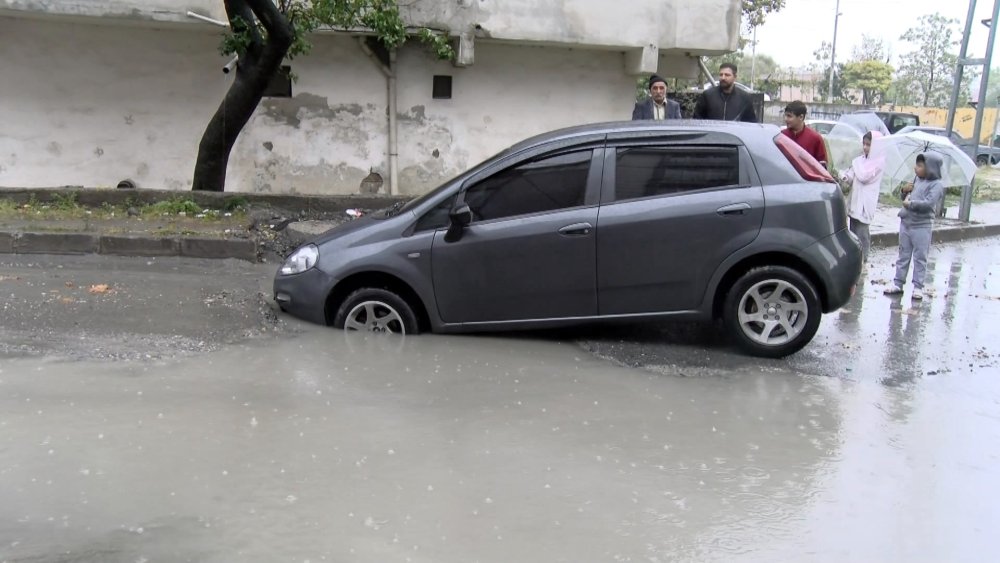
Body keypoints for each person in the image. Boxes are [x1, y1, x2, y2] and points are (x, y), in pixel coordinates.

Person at [883, 153, 945, 300]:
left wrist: (911, 204)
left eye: (920, 166)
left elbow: (929, 203)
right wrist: (904, 191)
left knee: (920, 257)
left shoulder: (936, 185)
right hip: (906, 223)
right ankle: (898, 283)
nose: (915, 168)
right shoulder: (916, 179)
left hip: (921, 226)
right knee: (903, 255)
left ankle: (918, 286)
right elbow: (906, 199)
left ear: (930, 168)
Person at [840, 131, 885, 268]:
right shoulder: (860, 160)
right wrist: (844, 176)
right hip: (855, 199)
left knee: (862, 233)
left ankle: (864, 260)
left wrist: (855, 164)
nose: (865, 147)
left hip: (866, 202)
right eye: (864, 144)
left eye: (869, 145)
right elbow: (852, 177)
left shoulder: (879, 162)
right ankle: (855, 260)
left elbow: (864, 176)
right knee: (853, 232)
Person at [692, 63, 758, 122]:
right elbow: (697, 119)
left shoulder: (744, 98)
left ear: (735, 77)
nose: (723, 78)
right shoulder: (707, 95)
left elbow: (751, 123)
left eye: (727, 75)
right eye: (721, 75)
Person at [780, 101, 828, 166]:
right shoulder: (781, 136)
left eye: (789, 116)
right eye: (785, 115)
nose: (785, 119)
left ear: (801, 117)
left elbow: (822, 166)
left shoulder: (815, 138)